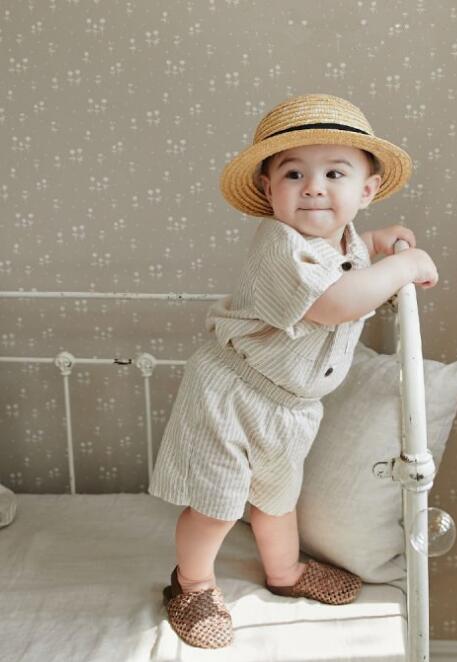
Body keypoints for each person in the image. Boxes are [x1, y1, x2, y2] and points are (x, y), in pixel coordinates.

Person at [148, 93, 439, 649]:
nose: (313, 188)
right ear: (268, 189)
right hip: (232, 392)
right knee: (216, 504)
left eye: (335, 173)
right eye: (293, 174)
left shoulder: (338, 239)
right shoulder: (279, 245)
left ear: (366, 191)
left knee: (278, 498)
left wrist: (375, 242)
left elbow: (344, 262)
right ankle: (192, 584)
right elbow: (335, 301)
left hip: (290, 406)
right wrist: (404, 264)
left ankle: (284, 572)